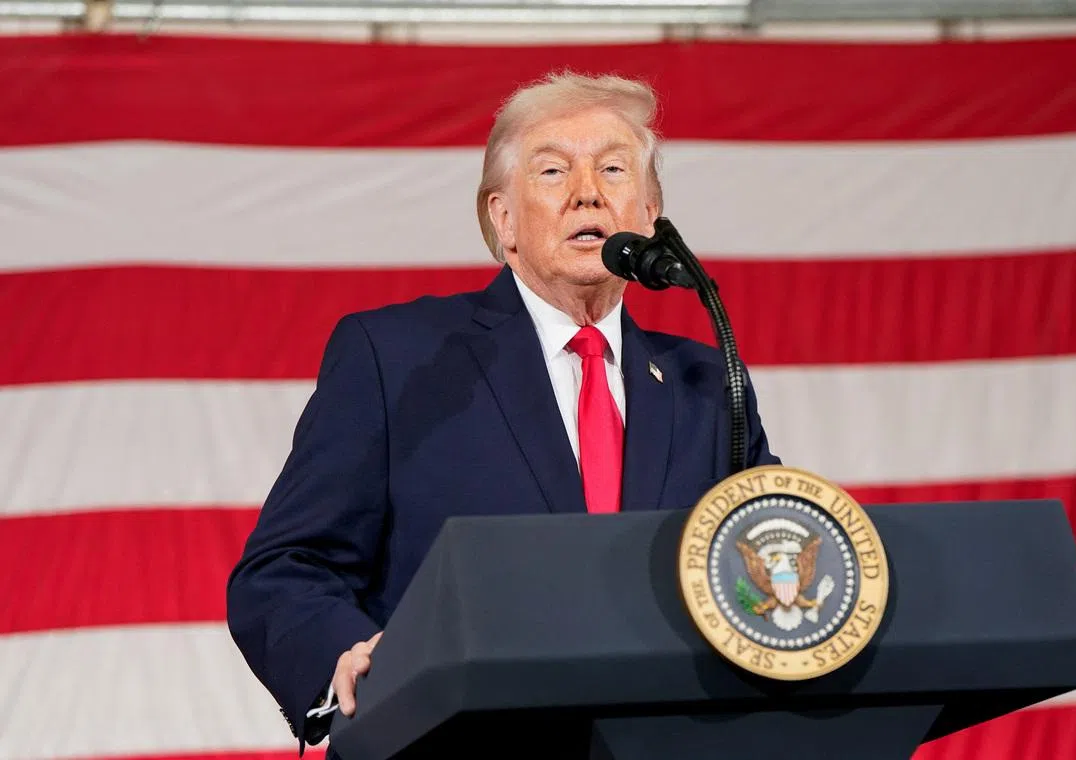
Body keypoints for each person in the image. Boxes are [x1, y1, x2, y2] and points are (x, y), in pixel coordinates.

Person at [225, 70, 781, 756]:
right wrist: (344, 657)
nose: (587, 191)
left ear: (648, 214)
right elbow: (285, 569)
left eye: (612, 168)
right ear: (504, 219)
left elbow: (767, 563)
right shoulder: (397, 358)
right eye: (553, 170)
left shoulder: (705, 381)